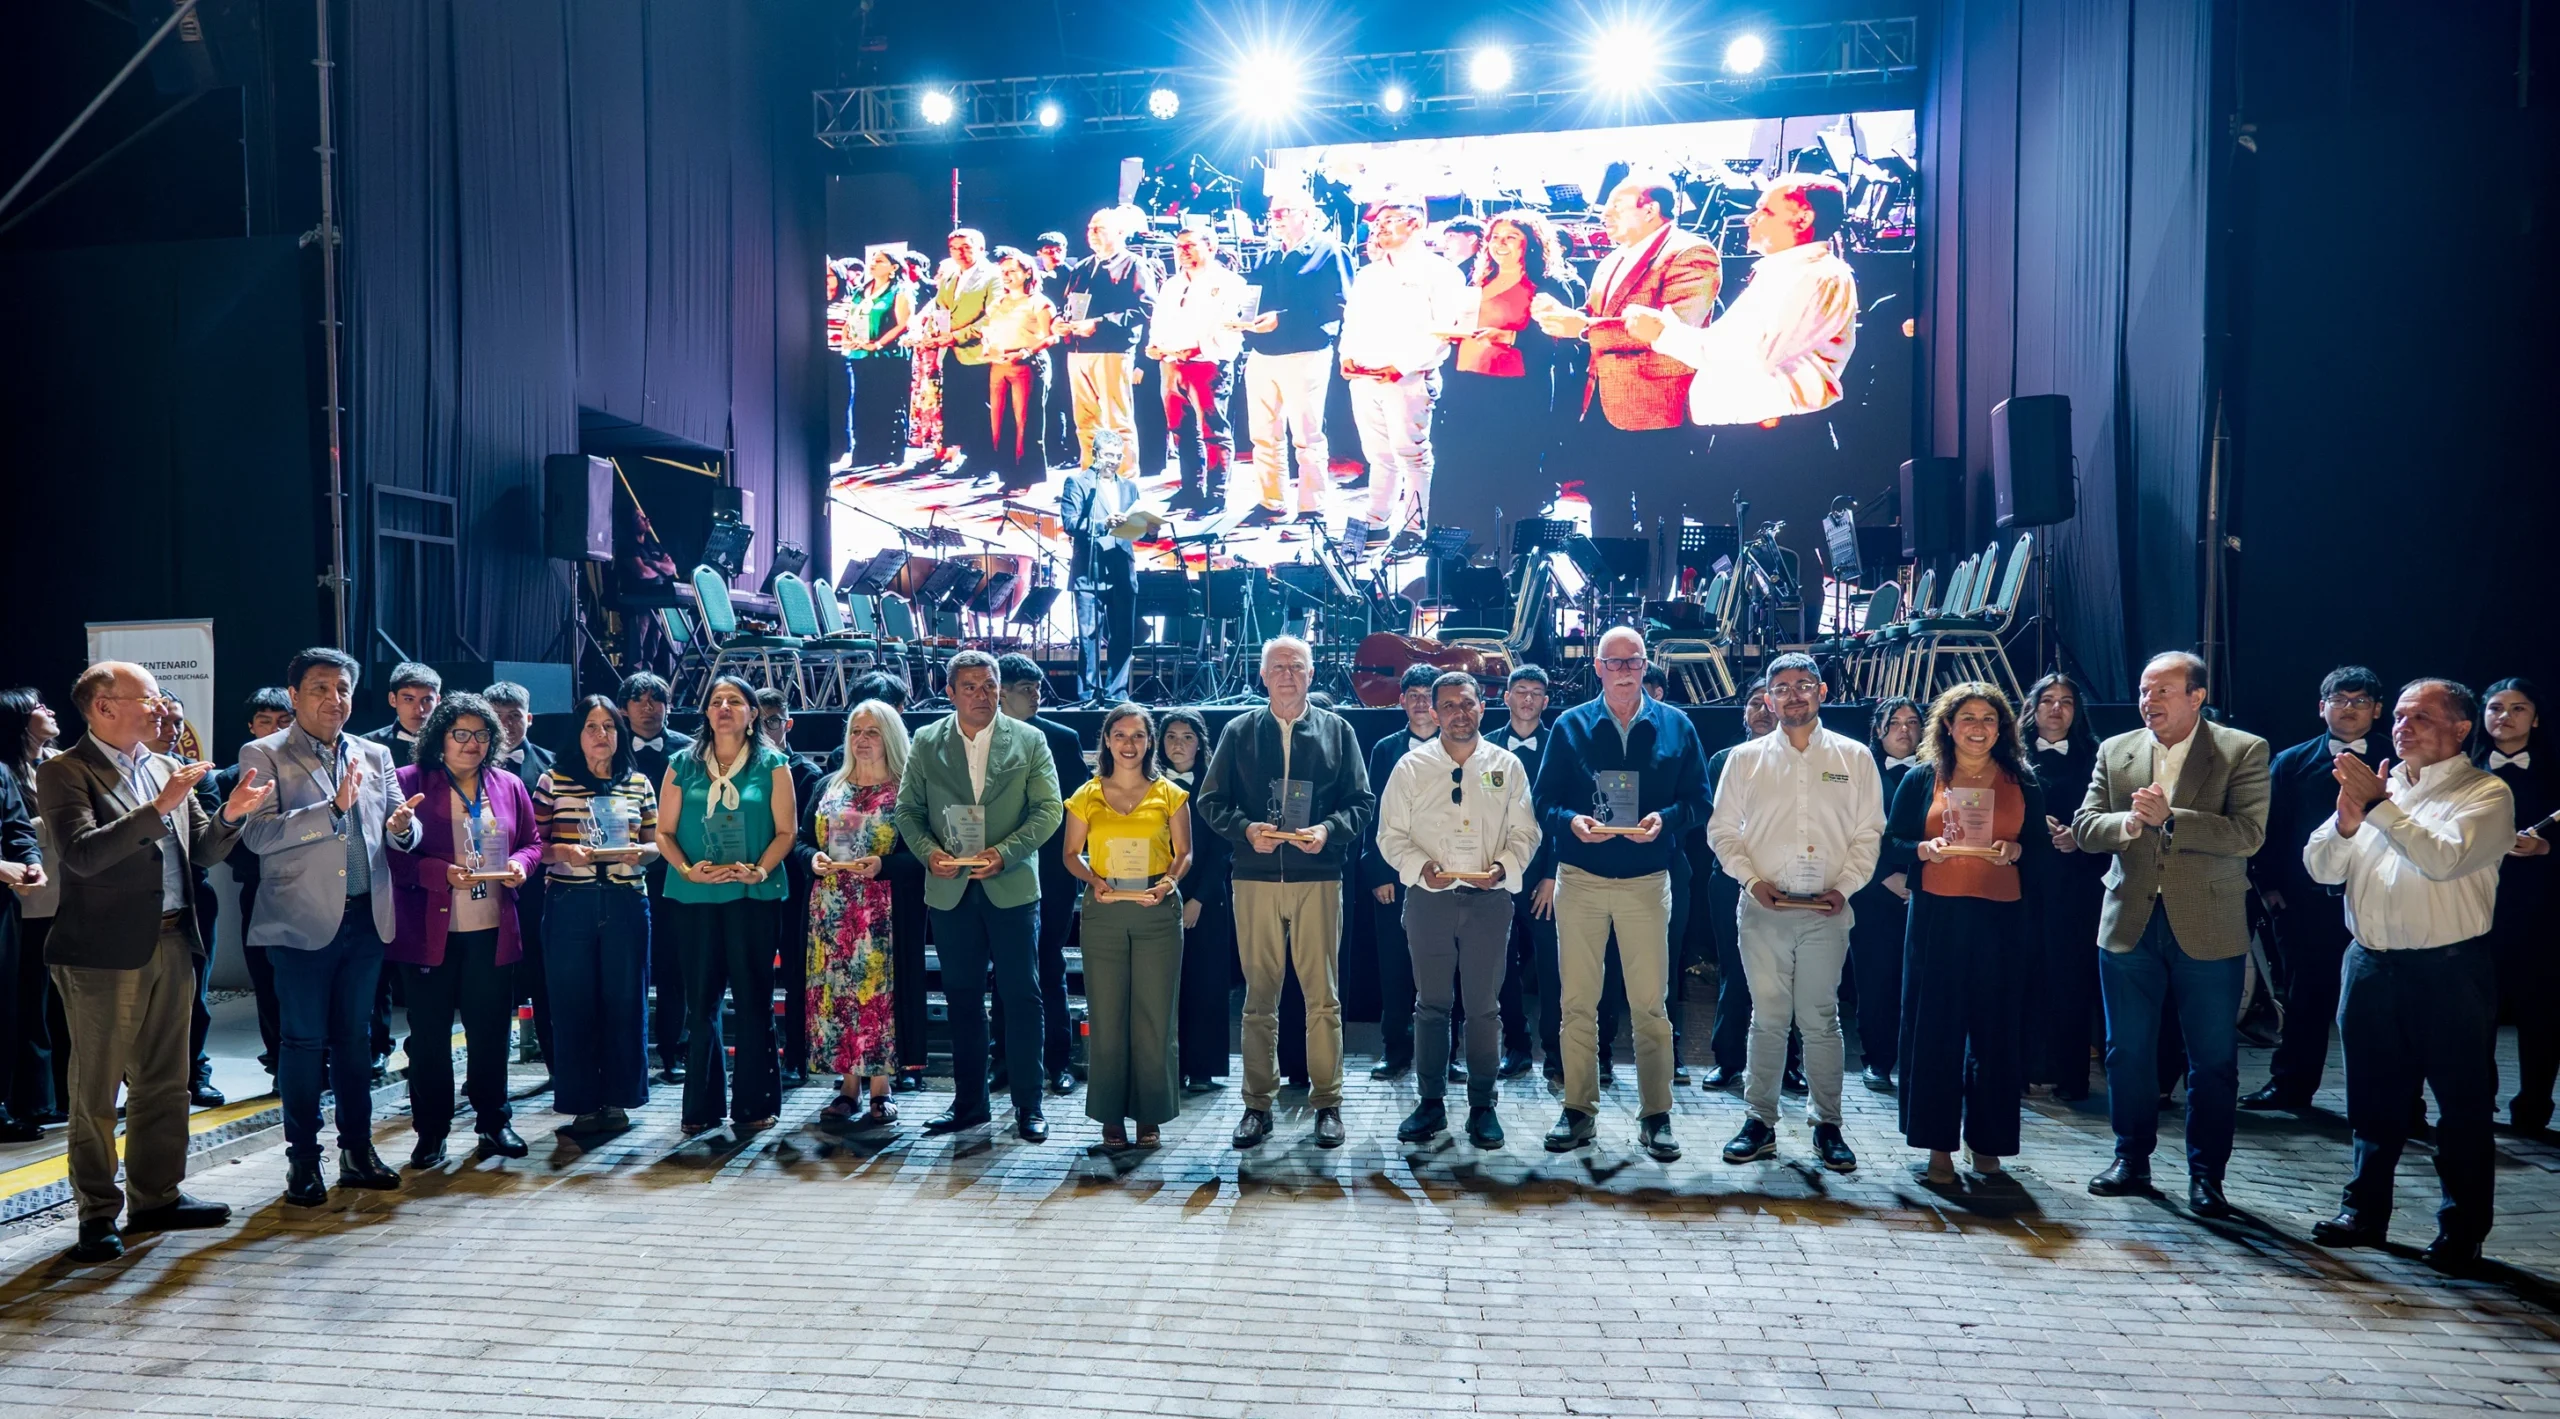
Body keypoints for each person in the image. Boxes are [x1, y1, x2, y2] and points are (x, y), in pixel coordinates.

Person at [37, 662, 267, 1261]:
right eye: (147, 699)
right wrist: (157, 808)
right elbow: (83, 856)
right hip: (101, 955)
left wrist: (233, 813)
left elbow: (204, 850)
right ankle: (96, 1213)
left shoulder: (164, 766)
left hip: (173, 939)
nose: (161, 709)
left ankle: (157, 1195)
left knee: (166, 1080)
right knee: (96, 1089)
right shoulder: (66, 771)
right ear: (103, 707)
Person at [2305, 679, 2514, 1270]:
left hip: (2447, 971)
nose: (2403, 726)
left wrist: (2378, 808)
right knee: (2372, 1101)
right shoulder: (2383, 786)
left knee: (2461, 1107)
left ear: (2461, 728)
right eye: (2398, 716)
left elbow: (2443, 859)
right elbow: (2320, 867)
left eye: (2421, 717)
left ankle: (2461, 1229)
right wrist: (2347, 822)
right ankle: (2364, 1211)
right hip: (2370, 965)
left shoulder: (2486, 793)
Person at [2071, 651, 2270, 1219]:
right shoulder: (2117, 750)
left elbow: (2249, 834)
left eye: (2162, 691)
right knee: (2125, 1052)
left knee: (2212, 1060)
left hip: (2207, 927)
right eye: (2143, 690)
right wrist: (2130, 823)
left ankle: (2207, 1177)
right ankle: (2130, 1160)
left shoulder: (2241, 750)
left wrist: (2172, 819)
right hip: (2129, 923)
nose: (2148, 701)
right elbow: (2086, 828)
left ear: (2196, 696)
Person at [233, 647, 421, 1207]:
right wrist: (333, 809)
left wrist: (404, 829)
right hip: (301, 924)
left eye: (341, 688)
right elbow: (258, 837)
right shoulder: (263, 753)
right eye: (318, 688)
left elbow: (392, 829)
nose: (332, 699)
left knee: (356, 1042)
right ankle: (302, 1161)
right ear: (293, 696)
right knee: (303, 1043)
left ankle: (357, 1152)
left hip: (365, 918)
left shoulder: (375, 752)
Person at [1534, 627, 1710, 1159]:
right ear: (1599, 667)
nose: (1625, 670)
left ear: (1645, 665)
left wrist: (1668, 820)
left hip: (1646, 883)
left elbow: (1700, 802)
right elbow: (1542, 802)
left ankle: (1656, 1115)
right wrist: (1572, 824)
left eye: (1633, 661)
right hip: (1582, 881)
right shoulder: (1569, 726)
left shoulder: (1678, 726)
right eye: (1615, 662)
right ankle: (1578, 1109)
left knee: (1651, 1006)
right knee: (1577, 1003)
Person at [1194, 636, 1373, 1150]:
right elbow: (1210, 801)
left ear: (1311, 674)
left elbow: (1361, 802)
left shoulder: (1338, 731)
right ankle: (1257, 1105)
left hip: (1318, 878)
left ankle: (1328, 1104)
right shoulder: (1238, 730)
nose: (1288, 674)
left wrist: (1329, 831)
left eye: (1297, 666)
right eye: (1278, 667)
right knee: (1258, 1000)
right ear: (1263, 675)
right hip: (1253, 879)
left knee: (1323, 999)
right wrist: (1246, 829)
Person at [1706, 652, 1882, 1172]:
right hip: (1763, 908)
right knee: (1768, 1017)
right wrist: (1751, 880)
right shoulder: (1746, 758)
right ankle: (1759, 1121)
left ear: (1822, 691)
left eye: (1803, 685)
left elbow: (1869, 832)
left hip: (1829, 911)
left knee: (1821, 1019)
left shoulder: (1855, 757)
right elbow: (1721, 831)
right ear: (1768, 699)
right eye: (1781, 688)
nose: (1793, 695)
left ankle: (1828, 1125)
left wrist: (1846, 887)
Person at [1883, 684, 2052, 1184]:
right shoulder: (1921, 779)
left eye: (1989, 720)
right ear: (1949, 727)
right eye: (1968, 718)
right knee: (1934, 1030)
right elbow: (1890, 843)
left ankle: (1989, 1146)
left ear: (2002, 729)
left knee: (1996, 1034)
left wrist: (2018, 853)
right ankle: (1937, 1150)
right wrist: (1923, 849)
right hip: (1937, 916)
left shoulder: (2023, 780)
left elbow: (2042, 852)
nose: (1978, 728)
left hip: (2002, 919)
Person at [894, 650, 1064, 1141]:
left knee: (1022, 995)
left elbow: (1048, 810)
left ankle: (1029, 1104)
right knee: (963, 996)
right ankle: (969, 1102)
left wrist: (1004, 853)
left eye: (989, 685)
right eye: (969, 687)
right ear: (950, 693)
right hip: (948, 887)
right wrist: (929, 854)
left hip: (1009, 884)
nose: (982, 695)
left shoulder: (1030, 740)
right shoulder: (925, 742)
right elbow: (908, 811)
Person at [1377, 672, 1542, 1148]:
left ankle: (1482, 1106)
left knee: (1484, 1009)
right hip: (1429, 900)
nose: (1458, 713)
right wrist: (1418, 866)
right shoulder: (1411, 767)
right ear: (1433, 711)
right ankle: (1430, 1104)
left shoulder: (1506, 766)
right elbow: (1390, 835)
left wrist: (1504, 866)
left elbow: (1525, 832)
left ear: (1482, 707)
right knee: (1430, 1006)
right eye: (1447, 705)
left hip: (1489, 901)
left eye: (1466, 704)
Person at [387, 693, 541, 1167]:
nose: (472, 744)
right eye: (461, 734)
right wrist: (440, 873)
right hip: (431, 934)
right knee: (430, 1038)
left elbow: (532, 843)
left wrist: (519, 864)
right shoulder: (408, 782)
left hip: (492, 931)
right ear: (440, 737)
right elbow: (391, 856)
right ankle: (430, 1132)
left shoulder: (509, 784)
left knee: (491, 1033)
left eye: (482, 735)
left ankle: (494, 1123)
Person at [2242, 666, 2389, 1112]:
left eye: (2360, 701)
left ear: (2378, 710)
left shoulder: (2397, 762)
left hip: (2378, 900)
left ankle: (2396, 1102)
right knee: (2305, 999)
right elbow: (2267, 830)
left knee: (2382, 1007)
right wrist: (2269, 889)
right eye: (2339, 700)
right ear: (2321, 706)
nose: (2348, 709)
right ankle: (2290, 1086)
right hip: (2305, 904)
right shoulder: (2289, 762)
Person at [654, 676, 794, 1133]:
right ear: (706, 712)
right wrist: (685, 868)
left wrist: (759, 869)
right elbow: (664, 832)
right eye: (716, 701)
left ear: (753, 714)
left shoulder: (773, 763)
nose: (725, 707)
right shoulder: (681, 764)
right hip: (695, 894)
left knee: (754, 1001)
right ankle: (701, 1107)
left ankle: (755, 1105)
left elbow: (787, 833)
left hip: (753, 894)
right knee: (701, 1003)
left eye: (735, 701)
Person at [1531, 173, 1719, 486]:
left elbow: (1673, 329)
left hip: (1655, 408)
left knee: (1656, 510)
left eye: (1617, 206)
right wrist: (1560, 317)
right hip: (1600, 402)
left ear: (1650, 210)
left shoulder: (1690, 253)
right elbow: (1594, 317)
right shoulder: (1613, 258)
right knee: (1605, 506)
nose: (1604, 214)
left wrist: (1584, 328)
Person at [1626, 174, 1860, 426]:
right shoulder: (1789, 272)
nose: (1750, 218)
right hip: (1754, 435)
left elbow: (1747, 357)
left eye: (1765, 211)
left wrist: (1662, 333)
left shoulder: (1816, 276)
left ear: (1802, 219)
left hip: (1776, 439)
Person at [1060, 705, 1191, 1148]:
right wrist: (1092, 879)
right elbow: (1070, 854)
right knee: (1108, 1016)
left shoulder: (1170, 794)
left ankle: (1149, 1116)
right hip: (1105, 908)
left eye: (1138, 735)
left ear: (1150, 741)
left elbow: (1184, 852)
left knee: (1154, 1017)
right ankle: (1110, 1117)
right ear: (1108, 740)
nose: (1129, 744)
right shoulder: (1086, 795)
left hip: (1156, 908)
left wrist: (1170, 882)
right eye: (1120, 735)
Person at [531, 696, 659, 1137]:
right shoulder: (554, 781)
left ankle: (621, 1099)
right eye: (591, 726)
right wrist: (562, 852)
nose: (600, 734)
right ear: (578, 733)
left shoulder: (639, 782)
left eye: (608, 726)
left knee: (626, 1003)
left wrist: (640, 851)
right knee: (572, 1004)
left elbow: (657, 843)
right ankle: (583, 1102)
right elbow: (534, 847)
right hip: (570, 902)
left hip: (625, 900)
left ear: (620, 734)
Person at [1435, 211, 1578, 559]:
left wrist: (1511, 336)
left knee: (1509, 479)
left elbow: (1560, 342)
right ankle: (1458, 563)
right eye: (1495, 237)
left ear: (1530, 244)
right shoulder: (1478, 279)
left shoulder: (1547, 285)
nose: (1500, 244)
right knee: (1460, 476)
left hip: (1514, 399)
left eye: (1511, 237)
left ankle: (1511, 567)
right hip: (1466, 392)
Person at [1336, 199, 1470, 541]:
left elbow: (1446, 330)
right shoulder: (1369, 273)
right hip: (1365, 377)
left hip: (1409, 378)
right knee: (1378, 455)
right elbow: (1352, 322)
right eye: (1376, 223)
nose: (1379, 228)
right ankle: (1376, 521)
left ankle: (1414, 526)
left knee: (1413, 454)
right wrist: (1346, 355)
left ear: (1415, 224)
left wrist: (1402, 366)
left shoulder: (1442, 272)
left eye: (1389, 221)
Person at [806, 699, 911, 1130]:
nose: (862, 740)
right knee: (839, 1000)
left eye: (872, 732)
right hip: (832, 908)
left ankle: (881, 1090)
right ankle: (847, 1087)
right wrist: (810, 858)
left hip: (880, 910)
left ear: (889, 737)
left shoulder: (907, 789)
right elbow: (798, 841)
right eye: (856, 731)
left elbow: (919, 854)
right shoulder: (829, 784)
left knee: (877, 1001)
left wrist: (884, 865)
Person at [993, 653, 1086, 1097]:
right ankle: (1003, 1060)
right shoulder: (982, 739)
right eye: (1025, 689)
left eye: (1037, 689)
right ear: (1001, 692)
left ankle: (1058, 1061)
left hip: (1051, 870)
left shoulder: (1062, 739)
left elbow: (1079, 808)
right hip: (999, 869)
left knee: (1048, 964)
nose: (1036, 696)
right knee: (1003, 969)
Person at [1235, 189, 1352, 527]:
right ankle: (1272, 502)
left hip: (1306, 352)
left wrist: (1282, 319)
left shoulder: (1329, 250)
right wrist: (1238, 319)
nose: (1276, 216)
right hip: (1263, 353)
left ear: (1306, 213)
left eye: (1284, 210)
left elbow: (1338, 305)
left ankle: (1311, 508)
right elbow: (1251, 299)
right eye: (1273, 212)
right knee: (1263, 435)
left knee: (1306, 436)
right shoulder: (1267, 254)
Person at [2472, 678, 2552, 1132]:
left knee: (2541, 1014)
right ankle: (2479, 1100)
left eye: (2518, 708)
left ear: (2535, 719)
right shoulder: (2463, 769)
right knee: (2477, 1010)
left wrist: (2547, 850)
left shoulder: (2555, 771)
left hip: (2541, 911)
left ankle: (2534, 1107)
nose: (2505, 717)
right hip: (2478, 907)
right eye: (2496, 707)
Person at [2022, 673, 2105, 1100]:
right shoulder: (2011, 756)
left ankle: (2072, 1077)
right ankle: (2021, 1070)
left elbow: (2112, 817)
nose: (2057, 708)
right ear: (2033, 709)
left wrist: (2080, 837)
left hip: (2079, 886)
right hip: (2023, 884)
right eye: (2048, 700)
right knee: (2023, 977)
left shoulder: (2098, 755)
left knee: (2073, 981)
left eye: (2066, 701)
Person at [1701, 681, 1781, 1092]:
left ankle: (1789, 1066)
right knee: (1734, 969)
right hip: (1730, 878)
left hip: (1786, 878)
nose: (1763, 711)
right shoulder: (1721, 761)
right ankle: (1728, 1060)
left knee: (1786, 974)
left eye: (1769, 702)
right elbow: (1715, 822)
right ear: (1744, 713)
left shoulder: (1798, 760)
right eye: (1755, 704)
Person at [1365, 663, 1441, 1081]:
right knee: (1394, 966)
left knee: (1446, 968)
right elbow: (1373, 814)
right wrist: (1377, 873)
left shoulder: (1458, 746)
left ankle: (1447, 1055)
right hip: (1394, 873)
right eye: (1412, 696)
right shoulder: (1385, 749)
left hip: (1448, 873)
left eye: (1427, 695)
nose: (1419, 703)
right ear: (1401, 702)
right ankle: (1395, 1050)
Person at [621, 672, 693, 1084]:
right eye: (639, 700)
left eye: (656, 700)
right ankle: (629, 1056)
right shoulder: (612, 751)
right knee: (628, 970)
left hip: (673, 874)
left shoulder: (687, 751)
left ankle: (674, 1051)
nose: (648, 708)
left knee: (674, 969)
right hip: (623, 874)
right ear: (624, 708)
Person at [1156, 709, 1232, 1093]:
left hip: (1206, 899)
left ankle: (1203, 1068)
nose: (1179, 744)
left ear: (1201, 743)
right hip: (1157, 894)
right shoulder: (1148, 784)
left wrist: (1198, 898)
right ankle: (1171, 1065)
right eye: (1171, 736)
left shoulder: (1214, 785)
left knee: (1205, 983)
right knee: (1166, 985)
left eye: (1187, 737)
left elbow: (1221, 849)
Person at [1482, 664, 1551, 1081]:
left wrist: (1553, 875)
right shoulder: (1483, 748)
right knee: (1501, 967)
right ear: (1505, 697)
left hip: (1546, 878)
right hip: (1497, 877)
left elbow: (1567, 815)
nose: (1527, 699)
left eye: (1536, 692)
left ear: (1545, 700)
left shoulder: (1562, 745)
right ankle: (1517, 1047)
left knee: (1553, 967)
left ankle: (1558, 1052)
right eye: (1520, 691)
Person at [1146, 227, 1247, 513]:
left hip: (1208, 365)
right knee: (1180, 430)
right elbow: (1159, 320)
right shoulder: (1171, 284)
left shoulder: (1230, 282)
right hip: (1171, 364)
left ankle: (1216, 495)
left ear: (1211, 247)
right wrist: (1156, 345)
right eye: (1179, 247)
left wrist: (1200, 347)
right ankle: (1191, 488)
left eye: (1190, 246)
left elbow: (1229, 325)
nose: (1183, 251)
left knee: (1212, 431)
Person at [1055, 206, 1159, 482]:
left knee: (1116, 422)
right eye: (1090, 228)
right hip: (1078, 352)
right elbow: (1069, 305)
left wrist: (1099, 323)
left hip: (1112, 351)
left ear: (1121, 233)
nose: (1092, 234)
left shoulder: (1134, 265)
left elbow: (1146, 308)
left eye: (1100, 228)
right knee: (1085, 422)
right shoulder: (1082, 266)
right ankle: (1091, 479)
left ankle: (1125, 483)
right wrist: (1059, 321)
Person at [1850, 696, 1921, 1092]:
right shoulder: (1862, 773)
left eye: (1912, 722)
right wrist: (1885, 877)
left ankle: (1913, 1060)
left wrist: (1914, 878)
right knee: (1875, 980)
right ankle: (1877, 1060)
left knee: (1917, 982)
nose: (1904, 730)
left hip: (1924, 892)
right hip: (1873, 892)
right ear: (1878, 730)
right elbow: (1850, 831)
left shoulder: (1934, 773)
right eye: (1895, 722)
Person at [485, 680, 554, 1077]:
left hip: (538, 895)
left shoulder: (552, 765)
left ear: (529, 718)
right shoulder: (463, 763)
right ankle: (487, 1074)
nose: (507, 724)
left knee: (545, 984)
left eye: (514, 716)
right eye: (498, 716)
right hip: (480, 893)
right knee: (489, 991)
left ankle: (559, 1070)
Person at [0, 688, 60, 1137]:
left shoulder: (9, 772)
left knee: (27, 1005)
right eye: (39, 707)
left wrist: (31, 859)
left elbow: (17, 828)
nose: (51, 711)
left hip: (23, 899)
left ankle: (35, 1101)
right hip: (21, 899)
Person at [754, 688, 822, 1088]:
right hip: (753, 887)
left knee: (797, 976)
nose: (767, 729)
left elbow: (807, 839)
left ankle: (797, 1057)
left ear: (788, 724)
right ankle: (763, 1056)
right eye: (759, 721)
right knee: (755, 976)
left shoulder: (805, 774)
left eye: (774, 721)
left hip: (795, 890)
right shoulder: (741, 769)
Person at [920, 228, 1000, 471]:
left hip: (980, 353)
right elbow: (941, 310)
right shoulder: (949, 277)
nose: (960, 253)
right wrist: (937, 333)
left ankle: (985, 464)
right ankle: (967, 459)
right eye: (955, 248)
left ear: (981, 248)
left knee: (982, 411)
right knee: (960, 408)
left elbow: (993, 317)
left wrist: (955, 336)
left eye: (966, 247)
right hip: (952, 353)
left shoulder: (994, 276)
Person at [981, 247, 1058, 493]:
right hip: (999, 364)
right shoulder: (997, 304)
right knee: (998, 422)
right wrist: (987, 349)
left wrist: (1025, 352)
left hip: (1027, 364)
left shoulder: (1040, 303)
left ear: (1027, 273)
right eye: (1003, 271)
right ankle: (1007, 474)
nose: (1006, 275)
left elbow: (1051, 337)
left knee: (1025, 422)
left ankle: (1026, 476)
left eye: (1012, 271)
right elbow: (989, 333)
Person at [840, 250, 917, 468]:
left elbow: (903, 324)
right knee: (863, 405)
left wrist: (878, 343)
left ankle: (889, 454)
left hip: (887, 356)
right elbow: (851, 317)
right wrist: (847, 336)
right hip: (860, 355)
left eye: (880, 261)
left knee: (888, 404)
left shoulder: (900, 291)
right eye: (872, 261)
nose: (873, 264)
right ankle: (865, 453)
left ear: (894, 267)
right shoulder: (861, 290)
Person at [1033, 232, 1080, 467]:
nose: (1055, 253)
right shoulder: (1036, 279)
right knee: (1050, 400)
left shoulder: (1074, 275)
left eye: (1059, 248)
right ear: (1040, 252)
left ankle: (1073, 450)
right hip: (1045, 344)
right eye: (1049, 249)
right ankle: (1054, 450)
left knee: (1069, 397)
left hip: (1067, 345)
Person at [364, 662, 442, 752]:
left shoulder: (452, 743)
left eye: (426, 700)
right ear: (393, 699)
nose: (419, 709)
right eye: (409, 699)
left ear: (437, 700)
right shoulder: (369, 744)